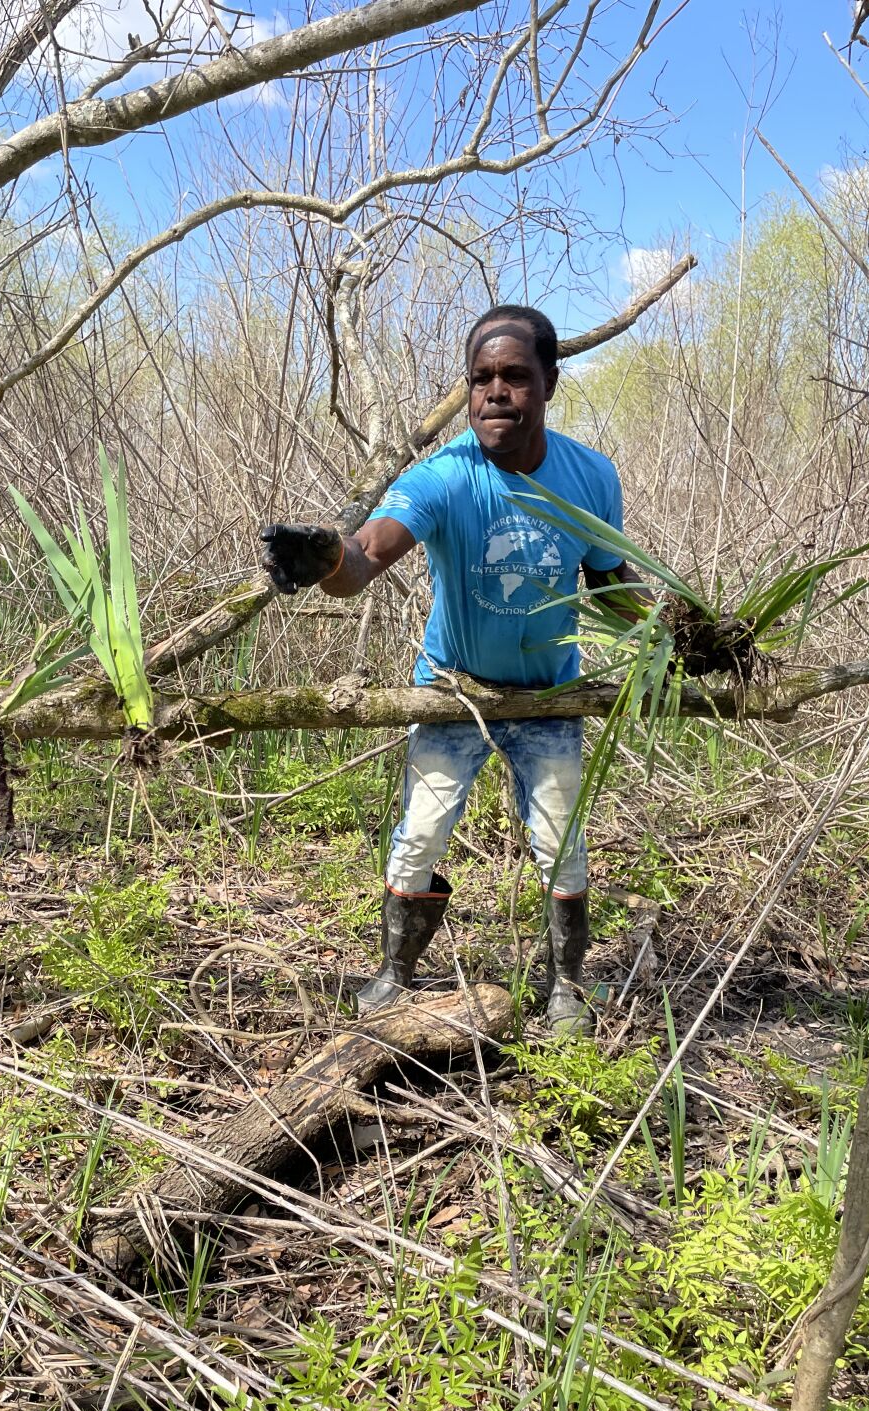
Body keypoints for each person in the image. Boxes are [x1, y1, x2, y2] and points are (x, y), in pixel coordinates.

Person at [259, 304, 648, 1037]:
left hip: (548, 692)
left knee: (560, 840)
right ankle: (395, 973)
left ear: (549, 383)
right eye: (480, 378)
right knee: (420, 832)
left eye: (514, 376)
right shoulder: (442, 476)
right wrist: (326, 557)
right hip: (452, 689)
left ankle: (566, 985)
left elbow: (611, 580)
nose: (495, 392)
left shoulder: (590, 476)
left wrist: (679, 633)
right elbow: (367, 555)